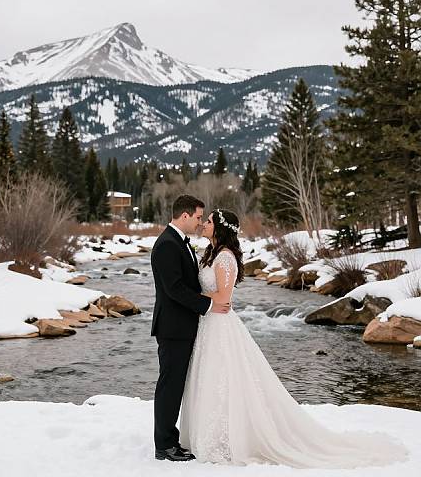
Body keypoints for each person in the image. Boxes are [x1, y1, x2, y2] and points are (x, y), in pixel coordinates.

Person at [179, 208, 407, 468]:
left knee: (225, 378)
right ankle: (209, 434)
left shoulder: (225, 259)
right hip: (208, 322)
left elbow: (224, 298)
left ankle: (228, 439)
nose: (204, 224)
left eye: (208, 221)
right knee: (210, 379)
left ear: (219, 228)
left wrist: (190, 299)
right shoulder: (211, 254)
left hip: (220, 324)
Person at [151, 195, 230, 462]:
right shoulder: (167, 245)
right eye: (198, 217)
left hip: (184, 326)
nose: (199, 223)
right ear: (184, 216)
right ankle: (164, 445)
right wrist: (207, 305)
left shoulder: (179, 243)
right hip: (173, 328)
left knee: (176, 385)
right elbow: (174, 289)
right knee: (169, 386)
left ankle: (170, 439)